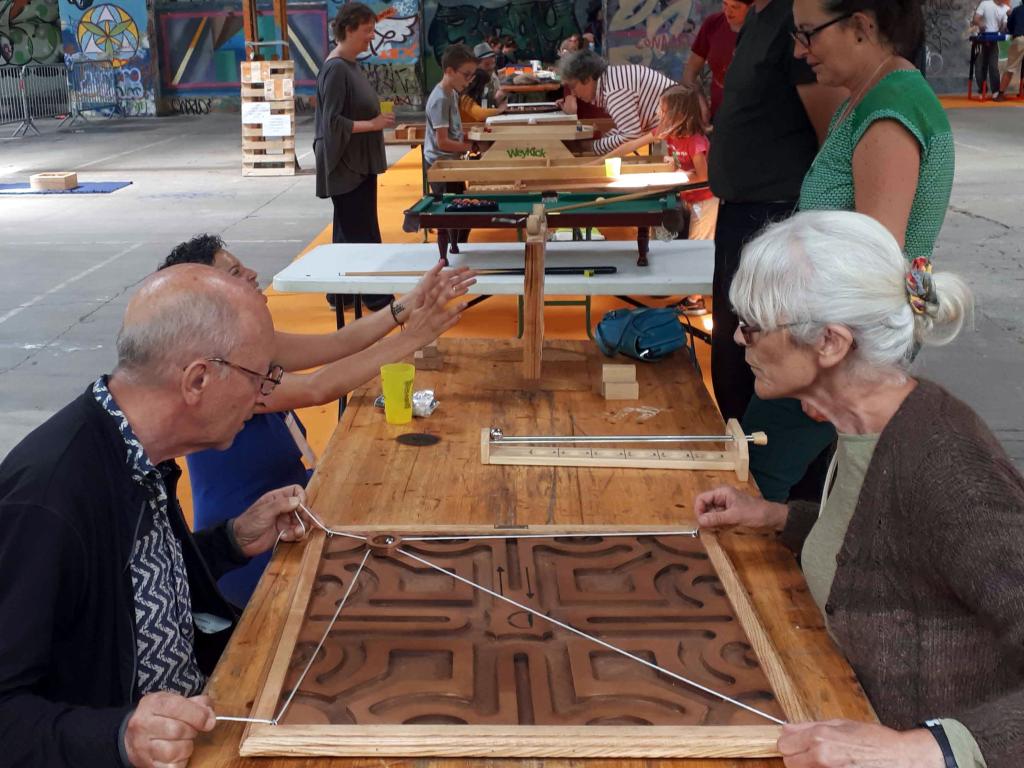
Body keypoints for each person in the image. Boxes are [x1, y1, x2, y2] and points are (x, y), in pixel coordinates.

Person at [694, 210, 1024, 768]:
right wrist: (779, 518)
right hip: (832, 694)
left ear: (829, 342)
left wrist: (924, 750)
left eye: (752, 323)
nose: (735, 336)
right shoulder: (864, 426)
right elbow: (883, 547)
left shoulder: (947, 464)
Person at [0, 265, 310, 766]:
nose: (263, 396)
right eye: (260, 377)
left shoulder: (141, 451)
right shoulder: (48, 499)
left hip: (201, 715)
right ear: (198, 380)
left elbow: (132, 596)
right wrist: (119, 737)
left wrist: (231, 540)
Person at [159, 235, 475, 606]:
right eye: (235, 272)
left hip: (294, 514)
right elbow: (317, 388)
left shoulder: (248, 343)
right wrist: (415, 337)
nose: (252, 273)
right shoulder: (220, 377)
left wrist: (407, 304)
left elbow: (337, 342)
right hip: (257, 549)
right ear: (209, 303)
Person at [740, 0, 959, 503]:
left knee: (754, 476)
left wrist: (835, 372)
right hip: (835, 343)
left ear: (861, 25)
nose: (800, 50)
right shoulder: (864, 100)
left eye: (809, 34)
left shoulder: (892, 108)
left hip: (837, 346)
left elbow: (874, 259)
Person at [706, 0, 846, 496]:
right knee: (734, 360)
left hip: (777, 218)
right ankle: (758, 491)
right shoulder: (758, 20)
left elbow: (832, 136)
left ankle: (788, 507)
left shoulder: (794, 20)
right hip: (744, 215)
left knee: (775, 374)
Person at [314, 2, 395, 312]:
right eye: (366, 31)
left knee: (347, 232)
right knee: (362, 233)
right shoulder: (336, 69)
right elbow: (331, 123)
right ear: (347, 30)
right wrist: (372, 124)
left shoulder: (349, 64)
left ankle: (341, 293)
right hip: (347, 166)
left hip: (357, 164)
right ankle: (376, 297)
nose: (371, 37)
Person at [559, 49, 677, 155]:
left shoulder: (614, 90)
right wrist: (601, 142)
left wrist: (592, 147)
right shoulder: (611, 79)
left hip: (678, 131)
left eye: (573, 87)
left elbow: (630, 135)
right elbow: (626, 129)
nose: (573, 93)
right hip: (671, 128)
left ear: (588, 79)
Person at [424, 44, 479, 251]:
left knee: (462, 210)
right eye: (466, 75)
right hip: (440, 165)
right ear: (449, 71)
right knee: (451, 213)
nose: (469, 80)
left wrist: (470, 137)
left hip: (451, 161)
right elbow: (442, 142)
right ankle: (449, 252)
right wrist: (469, 145)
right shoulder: (440, 99)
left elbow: (453, 130)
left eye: (472, 75)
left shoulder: (452, 93)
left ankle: (457, 247)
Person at [682, 0, 755, 119]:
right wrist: (699, 100)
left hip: (751, 116)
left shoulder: (763, 31)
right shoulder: (713, 23)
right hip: (717, 115)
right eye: (725, 4)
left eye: (735, 7)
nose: (727, 11)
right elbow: (690, 71)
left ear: (752, 6)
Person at [973, 0, 1011, 99]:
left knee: (993, 66)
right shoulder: (985, 3)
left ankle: (995, 91)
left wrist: (1004, 27)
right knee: (980, 66)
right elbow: (976, 19)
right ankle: (982, 89)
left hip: (994, 39)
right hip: (982, 37)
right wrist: (980, 24)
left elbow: (1005, 24)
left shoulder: (1006, 9)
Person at [999, 0, 1024, 96]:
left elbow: (1009, 27)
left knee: (1011, 68)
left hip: (1020, 39)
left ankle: (1000, 94)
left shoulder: (1017, 10)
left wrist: (1010, 15)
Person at [472, 41, 507, 107]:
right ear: (476, 65)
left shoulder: (493, 75)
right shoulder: (472, 81)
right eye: (486, 64)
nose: (491, 67)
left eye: (493, 63)